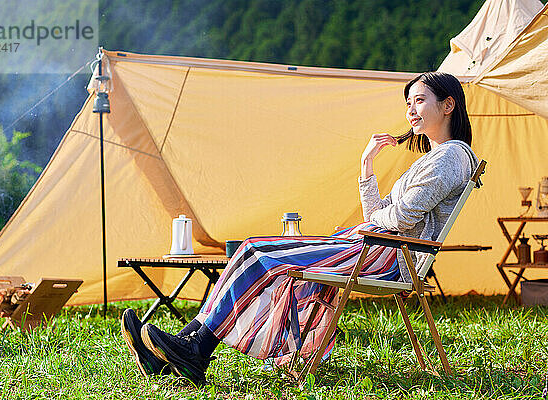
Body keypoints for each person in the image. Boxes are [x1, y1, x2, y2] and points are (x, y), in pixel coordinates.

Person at [120, 71, 479, 385]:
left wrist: (366, 227)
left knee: (258, 251)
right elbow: (383, 213)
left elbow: (398, 219)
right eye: (408, 103)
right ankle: (181, 348)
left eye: (419, 101)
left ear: (448, 106)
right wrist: (366, 164)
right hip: (375, 247)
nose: (410, 111)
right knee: (252, 249)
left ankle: (193, 349)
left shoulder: (450, 156)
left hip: (386, 257)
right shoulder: (436, 158)